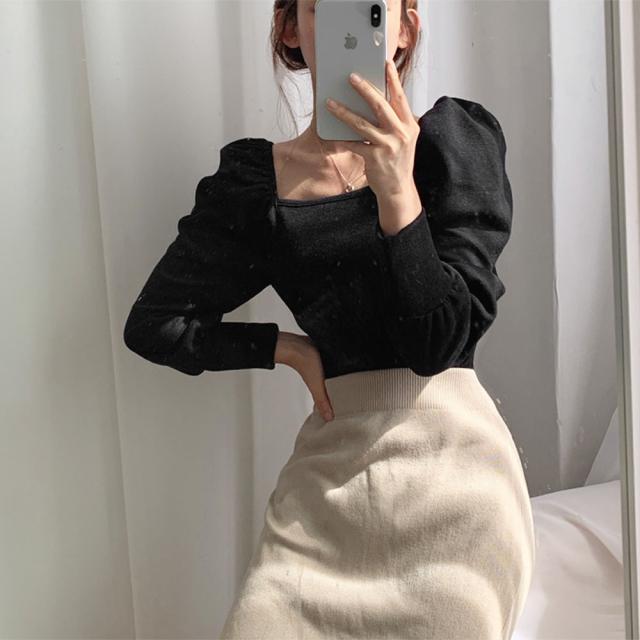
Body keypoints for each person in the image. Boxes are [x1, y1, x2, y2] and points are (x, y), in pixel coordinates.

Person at [123, 0, 536, 637]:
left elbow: (438, 345)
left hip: (457, 480)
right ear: (292, 27)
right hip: (329, 481)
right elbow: (155, 323)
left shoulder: (454, 146)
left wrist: (398, 190)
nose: (349, 24)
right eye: (325, 7)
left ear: (406, 28)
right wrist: (284, 348)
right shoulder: (257, 184)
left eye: (370, 8)